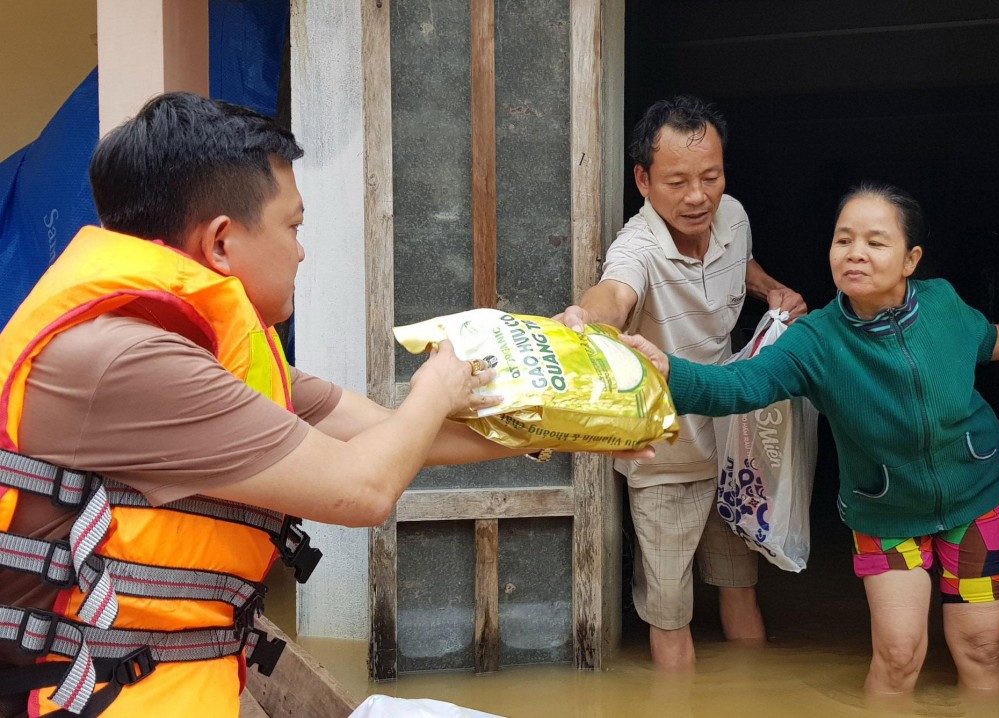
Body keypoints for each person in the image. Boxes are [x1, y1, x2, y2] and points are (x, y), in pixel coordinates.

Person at [0, 93, 649, 718]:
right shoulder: (131, 361)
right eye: (293, 226)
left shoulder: (201, 349)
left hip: (173, 679)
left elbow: (390, 434)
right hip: (95, 698)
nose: (302, 250)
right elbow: (360, 489)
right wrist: (435, 387)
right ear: (221, 242)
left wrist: (576, 413)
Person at [622, 181, 999, 694]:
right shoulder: (817, 340)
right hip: (885, 512)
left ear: (910, 260)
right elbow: (742, 385)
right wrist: (668, 371)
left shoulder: (943, 303)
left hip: (977, 497)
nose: (855, 253)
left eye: (875, 242)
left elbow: (987, 340)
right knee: (899, 656)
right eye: (844, 240)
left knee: (981, 647)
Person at [556, 95, 806, 671]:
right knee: (670, 614)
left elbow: (739, 261)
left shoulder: (733, 216)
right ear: (643, 181)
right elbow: (614, 294)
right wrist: (583, 321)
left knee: (741, 587)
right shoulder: (637, 248)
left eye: (710, 177)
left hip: (735, 448)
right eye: (677, 182)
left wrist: (771, 289)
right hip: (665, 458)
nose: (698, 197)